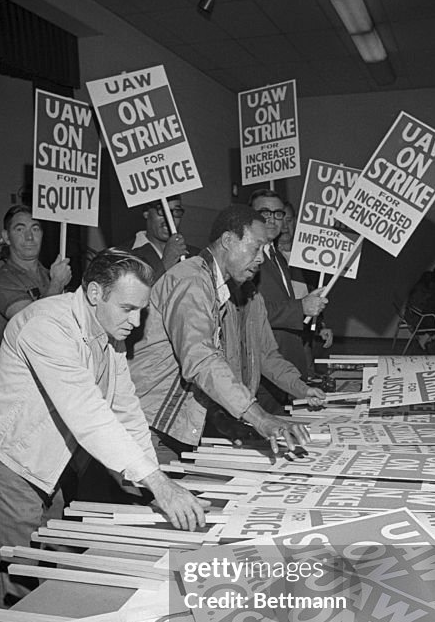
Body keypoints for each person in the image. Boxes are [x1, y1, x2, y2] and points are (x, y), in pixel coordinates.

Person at [0, 249, 205, 607]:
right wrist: (157, 484)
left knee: (52, 580)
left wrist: (155, 477)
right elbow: (88, 415)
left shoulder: (110, 335)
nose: (136, 322)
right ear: (94, 293)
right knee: (16, 596)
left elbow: (127, 411)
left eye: (142, 310)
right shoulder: (47, 326)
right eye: (128, 308)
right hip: (8, 471)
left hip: (52, 468)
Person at [127, 204, 325, 454]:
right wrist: (259, 417)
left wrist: (300, 388)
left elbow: (264, 354)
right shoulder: (192, 282)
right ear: (229, 240)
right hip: (153, 423)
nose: (261, 258)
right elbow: (200, 360)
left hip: (186, 420)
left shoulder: (237, 289)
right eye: (255, 248)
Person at [250, 189, 328, 410]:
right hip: (264, 367)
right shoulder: (248, 257)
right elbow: (250, 312)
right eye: (264, 212)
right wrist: (300, 307)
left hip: (286, 366)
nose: (272, 219)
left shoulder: (277, 258)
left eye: (278, 213)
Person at [0, 205, 71, 344]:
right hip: (24, 363)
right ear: (6, 237)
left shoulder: (50, 274)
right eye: (20, 229)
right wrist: (57, 284)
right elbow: (33, 326)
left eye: (35, 229)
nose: (29, 237)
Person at [276, 201, 333, 377]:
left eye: (290, 220)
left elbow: (314, 293)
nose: (285, 226)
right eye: (281, 220)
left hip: (303, 334)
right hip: (276, 334)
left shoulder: (309, 256)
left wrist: (321, 326)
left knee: (305, 379)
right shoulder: (265, 257)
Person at [131, 195, 189, 278]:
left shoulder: (195, 256)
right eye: (162, 210)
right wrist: (166, 263)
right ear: (146, 213)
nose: (170, 218)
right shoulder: (125, 255)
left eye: (176, 211)